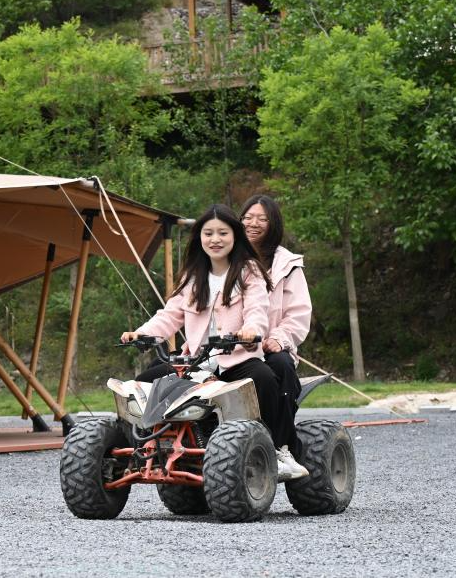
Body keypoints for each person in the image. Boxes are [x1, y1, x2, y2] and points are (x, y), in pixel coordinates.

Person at [121, 203, 308, 481]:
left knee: (265, 378)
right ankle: (146, 449)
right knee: (145, 382)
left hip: (237, 358)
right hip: (197, 361)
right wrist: (141, 334)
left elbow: (257, 311)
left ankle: (277, 450)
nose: (215, 240)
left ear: (235, 237)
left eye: (223, 233)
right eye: (208, 233)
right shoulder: (192, 276)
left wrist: (250, 330)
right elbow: (169, 315)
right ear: (199, 237)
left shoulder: (250, 271)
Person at [240, 194, 312, 463]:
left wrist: (279, 339)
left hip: (271, 345)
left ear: (274, 224)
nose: (253, 223)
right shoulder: (227, 258)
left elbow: (298, 313)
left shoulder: (288, 266)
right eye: (248, 217)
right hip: (231, 347)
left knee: (281, 366)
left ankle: (282, 446)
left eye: (262, 219)